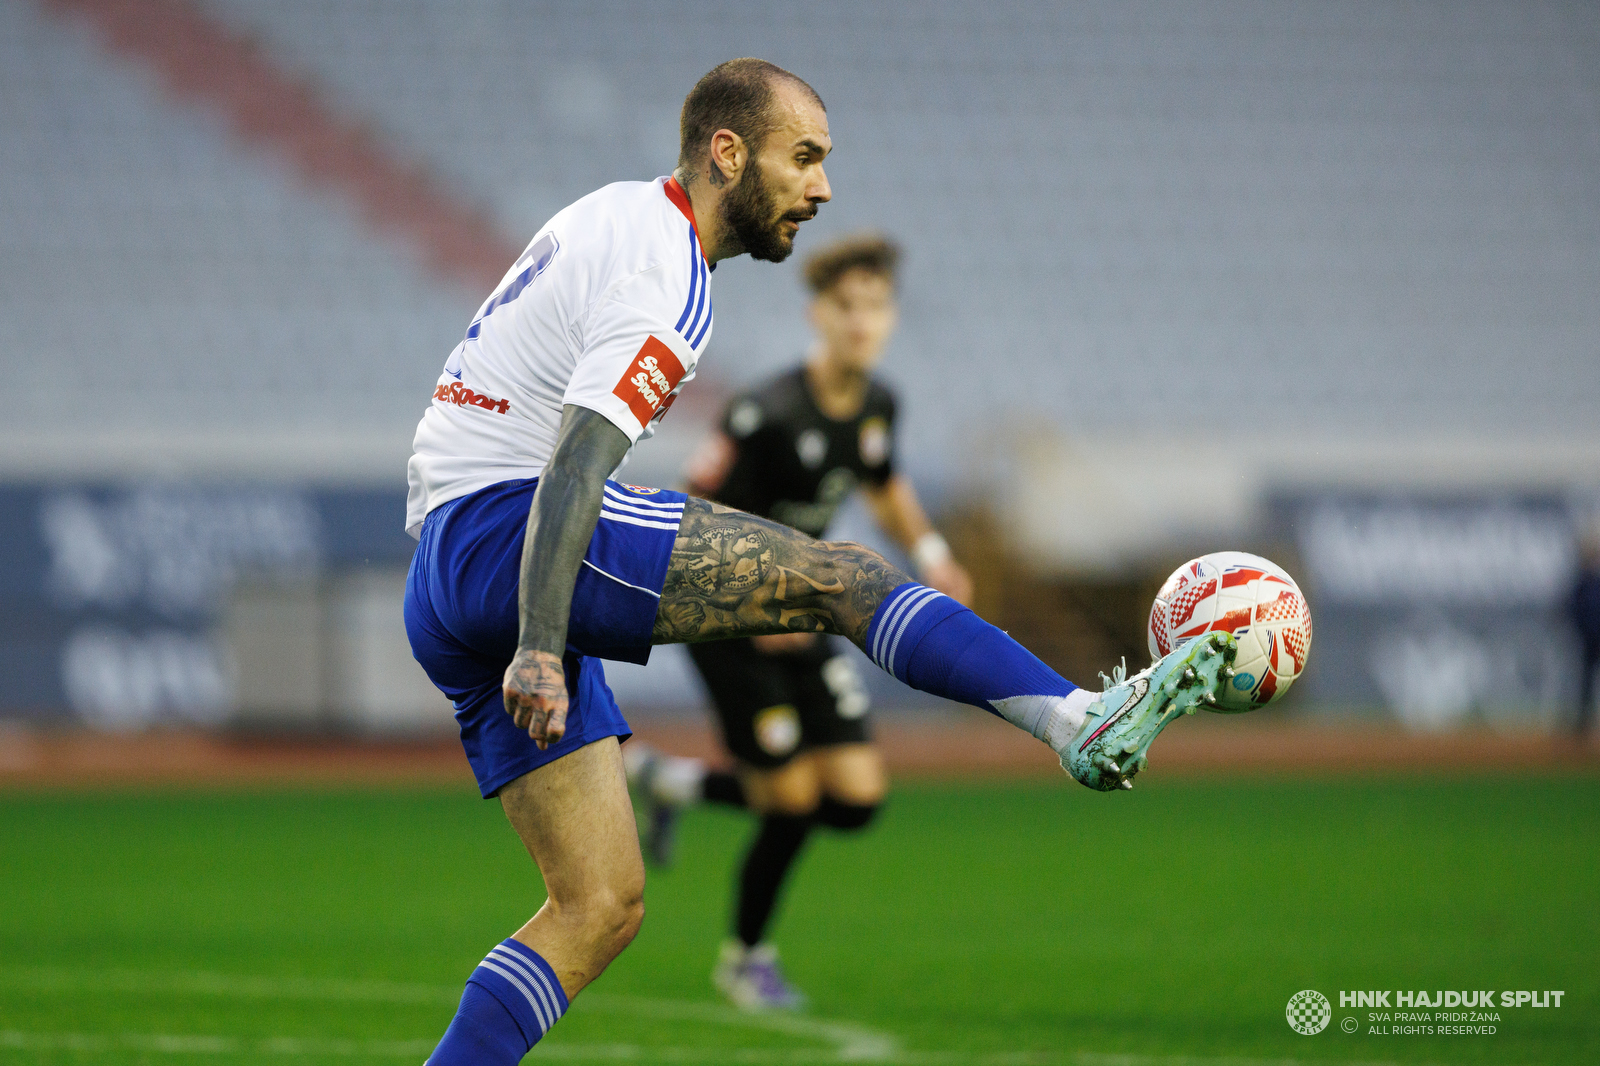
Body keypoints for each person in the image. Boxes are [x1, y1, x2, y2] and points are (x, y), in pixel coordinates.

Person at [403, 58, 1237, 1065]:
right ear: (727, 152)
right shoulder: (665, 272)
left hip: (445, 566)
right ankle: (1075, 719)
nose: (822, 188)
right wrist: (538, 643)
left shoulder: (615, 216)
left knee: (599, 905)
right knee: (844, 577)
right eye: (802, 158)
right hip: (514, 532)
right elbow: (577, 461)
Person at [629, 233, 974, 1010]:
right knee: (787, 803)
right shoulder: (768, 411)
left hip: (803, 613)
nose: (862, 322)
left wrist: (931, 550)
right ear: (818, 313)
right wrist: (750, 611)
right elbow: (695, 512)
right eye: (847, 307)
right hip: (727, 623)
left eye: (876, 307)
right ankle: (745, 959)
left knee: (853, 799)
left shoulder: (880, 406)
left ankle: (672, 781)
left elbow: (882, 480)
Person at [1570, 528, 1600, 739]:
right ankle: (1583, 725)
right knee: (1586, 684)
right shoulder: (1583, 581)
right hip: (1588, 639)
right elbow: (1574, 608)